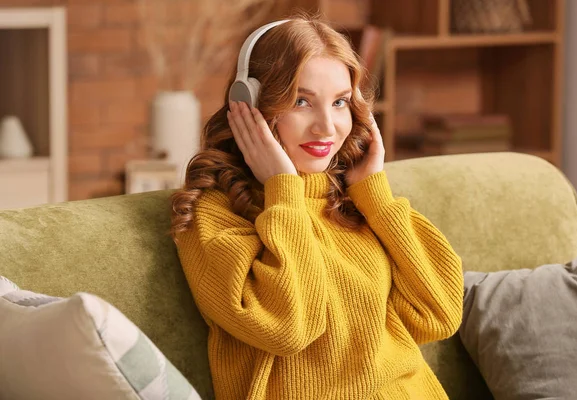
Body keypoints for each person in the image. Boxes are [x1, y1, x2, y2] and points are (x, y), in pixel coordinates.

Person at [170, 14, 464, 400]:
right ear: (249, 103)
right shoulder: (214, 214)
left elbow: (440, 314)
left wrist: (374, 194)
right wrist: (283, 190)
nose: (327, 127)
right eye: (301, 101)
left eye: (340, 102)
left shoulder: (355, 199)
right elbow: (290, 328)